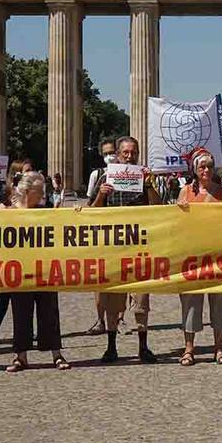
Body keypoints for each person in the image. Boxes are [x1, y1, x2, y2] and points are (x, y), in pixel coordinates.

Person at [90, 135, 161, 363]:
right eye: (125, 153)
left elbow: (158, 208)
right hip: (114, 248)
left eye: (133, 153)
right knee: (113, 300)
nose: (129, 157)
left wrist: (149, 184)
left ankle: (143, 347)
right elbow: (90, 212)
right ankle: (111, 347)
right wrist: (102, 193)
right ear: (118, 154)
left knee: (141, 301)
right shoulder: (105, 176)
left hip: (138, 248)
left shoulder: (145, 177)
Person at [4, 171, 71, 372]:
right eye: (39, 190)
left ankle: (56, 354)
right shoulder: (8, 212)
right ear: (28, 190)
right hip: (18, 270)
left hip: (45, 268)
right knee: (20, 311)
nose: (42, 194)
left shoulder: (46, 210)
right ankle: (20, 356)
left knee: (49, 310)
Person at [175, 149, 222, 365]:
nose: (206, 170)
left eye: (209, 166)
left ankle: (219, 348)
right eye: (202, 166)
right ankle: (189, 349)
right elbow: (176, 222)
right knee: (190, 302)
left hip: (218, 254)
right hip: (192, 255)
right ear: (195, 170)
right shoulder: (185, 192)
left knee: (219, 302)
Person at [0, 158, 33, 346]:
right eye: (26, 171)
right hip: (7, 248)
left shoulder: (34, 193)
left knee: (28, 291)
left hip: (29, 246)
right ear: (16, 174)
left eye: (31, 171)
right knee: (4, 292)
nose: (30, 174)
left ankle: (27, 332)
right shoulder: (3, 193)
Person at [85, 140, 117, 334]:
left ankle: (119, 318)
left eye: (112, 152)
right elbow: (90, 206)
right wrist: (101, 195)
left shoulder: (134, 173)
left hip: (126, 236)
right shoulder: (97, 175)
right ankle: (100, 320)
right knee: (100, 281)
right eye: (106, 153)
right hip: (103, 235)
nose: (110, 156)